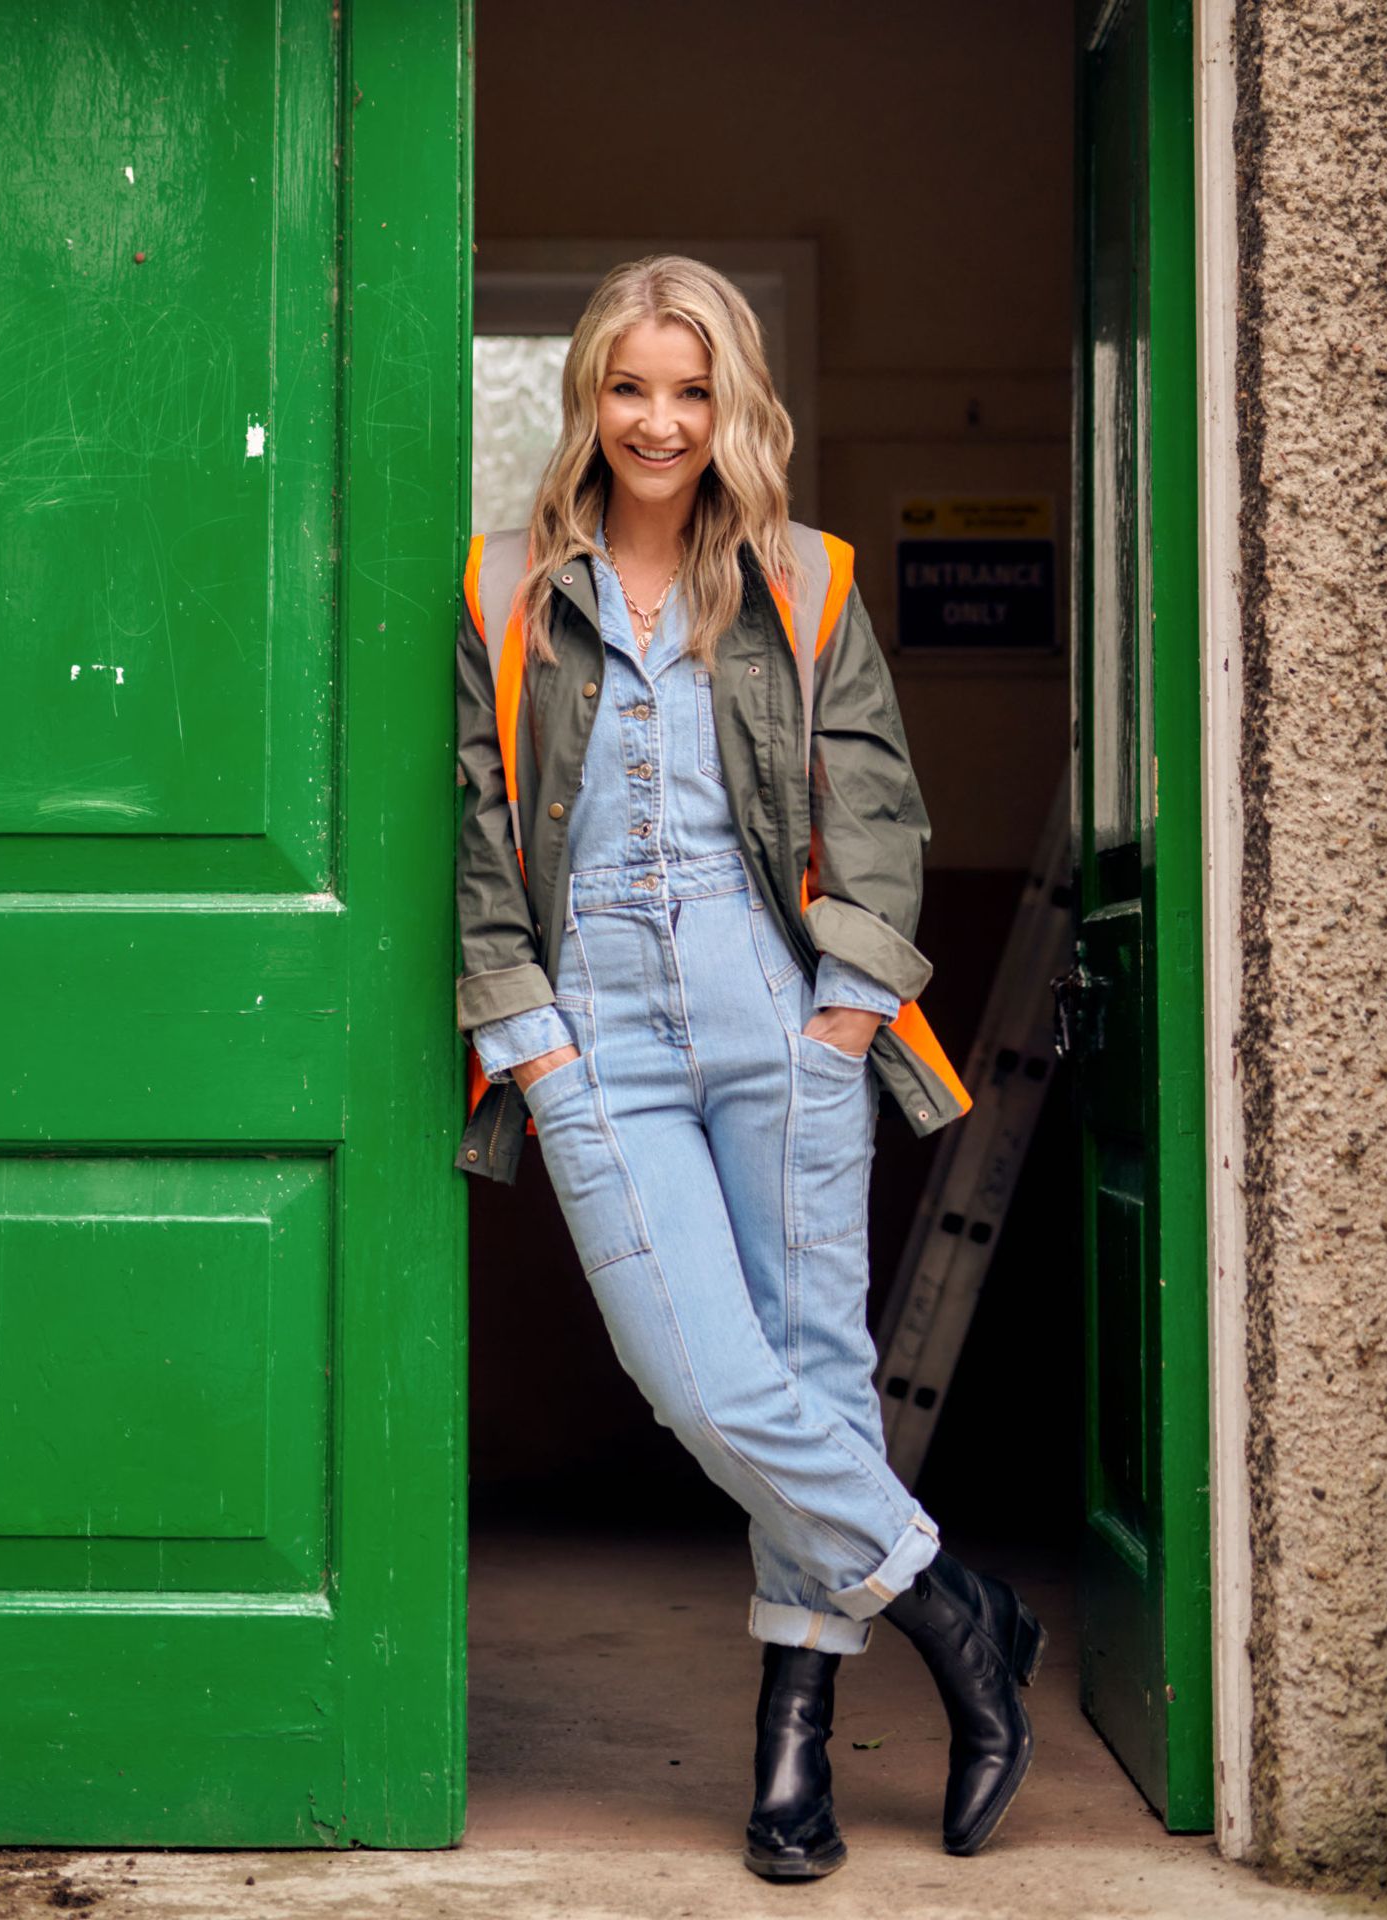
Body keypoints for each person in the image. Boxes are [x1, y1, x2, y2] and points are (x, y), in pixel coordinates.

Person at [452, 255, 1044, 1879]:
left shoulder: (804, 578)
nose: (660, 421)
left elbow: (878, 798)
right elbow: (480, 826)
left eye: (693, 390)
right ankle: (957, 1610)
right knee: (701, 1379)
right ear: (589, 395)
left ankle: (795, 1755)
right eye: (631, 388)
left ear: (737, 406)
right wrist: (534, 1041)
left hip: (778, 1006)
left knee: (813, 1364)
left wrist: (846, 1004)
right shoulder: (505, 588)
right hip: (595, 1029)